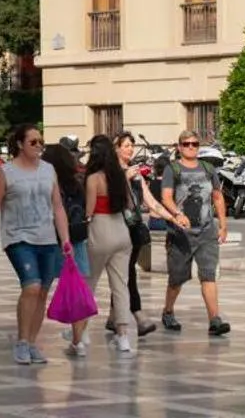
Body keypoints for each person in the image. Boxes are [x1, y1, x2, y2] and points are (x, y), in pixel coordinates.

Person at [0, 123, 69, 366]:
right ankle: (21, 341)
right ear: (20, 144)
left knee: (42, 291)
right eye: (33, 142)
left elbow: (58, 206)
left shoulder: (49, 170)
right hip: (18, 238)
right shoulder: (6, 173)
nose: (39, 146)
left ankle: (32, 342)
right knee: (31, 287)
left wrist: (65, 239)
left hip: (47, 238)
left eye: (41, 141)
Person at [160, 130, 230, 336]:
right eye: (187, 144)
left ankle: (214, 320)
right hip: (181, 234)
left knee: (208, 275)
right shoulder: (172, 169)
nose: (191, 147)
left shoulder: (208, 169)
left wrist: (223, 225)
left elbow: (217, 197)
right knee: (177, 278)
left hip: (207, 231)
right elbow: (166, 197)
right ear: (179, 147)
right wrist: (177, 214)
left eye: (195, 144)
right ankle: (168, 311)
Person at [84, 135, 137, 355]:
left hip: (100, 229)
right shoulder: (120, 176)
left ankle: (82, 331)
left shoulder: (93, 179)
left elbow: (89, 211)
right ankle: (123, 336)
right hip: (122, 232)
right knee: (121, 286)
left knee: (89, 283)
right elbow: (130, 203)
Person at [113, 131, 167, 336]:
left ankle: (113, 318)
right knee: (127, 273)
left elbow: (150, 201)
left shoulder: (134, 172)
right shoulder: (110, 173)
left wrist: (173, 217)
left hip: (133, 228)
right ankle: (138, 315)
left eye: (131, 145)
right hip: (116, 228)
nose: (130, 149)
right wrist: (123, 178)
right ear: (116, 148)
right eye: (125, 145)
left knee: (124, 273)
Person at [46, 138, 91, 358]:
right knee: (77, 291)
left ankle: (28, 339)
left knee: (39, 288)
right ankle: (78, 341)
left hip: (50, 240)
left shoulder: (47, 183)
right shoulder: (77, 183)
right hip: (76, 240)